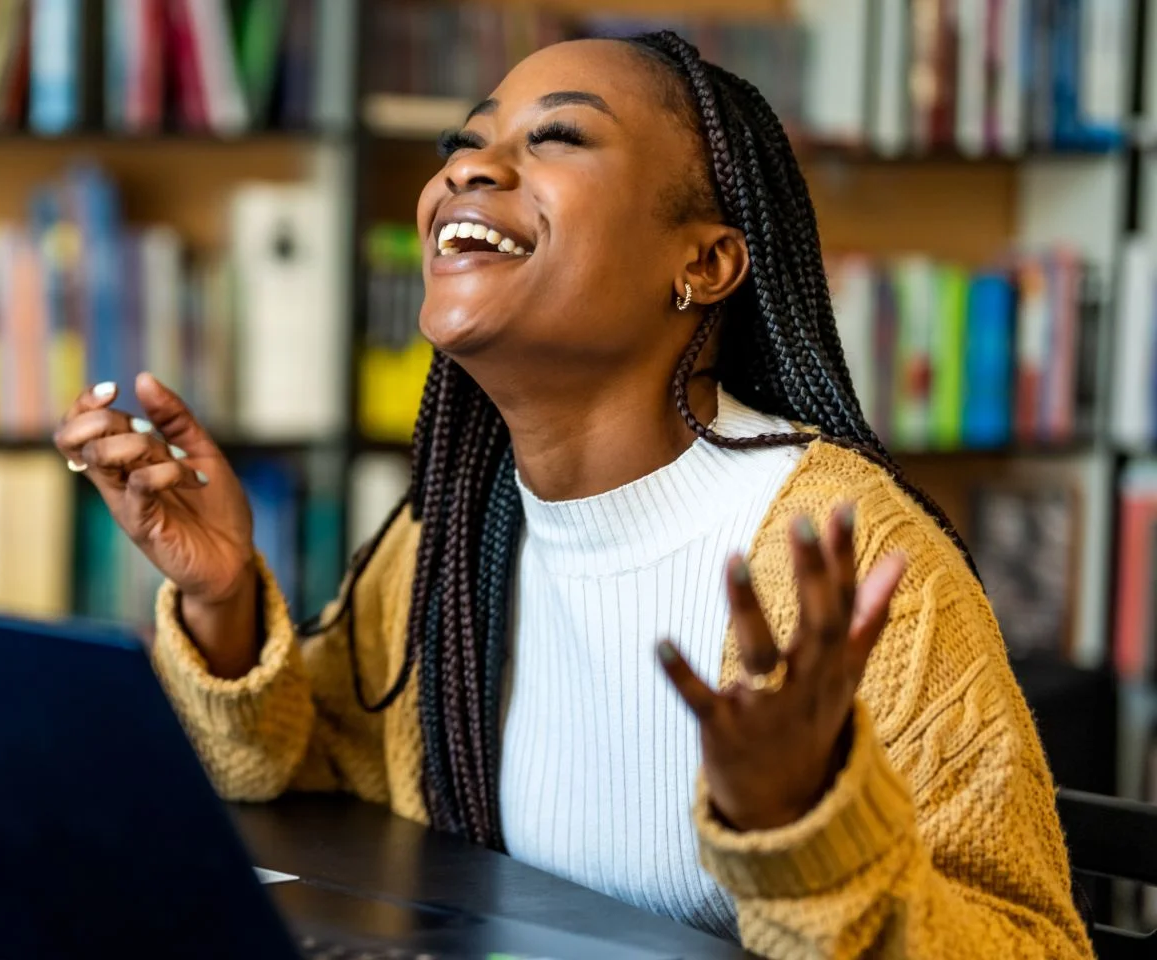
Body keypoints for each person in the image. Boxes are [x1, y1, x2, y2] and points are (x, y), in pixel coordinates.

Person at [53, 31, 1090, 958]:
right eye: (465, 141)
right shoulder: (450, 542)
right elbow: (297, 758)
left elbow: (1029, 944)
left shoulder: (852, 563)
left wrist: (803, 822)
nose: (466, 166)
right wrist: (221, 600)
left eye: (556, 139)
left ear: (705, 261)